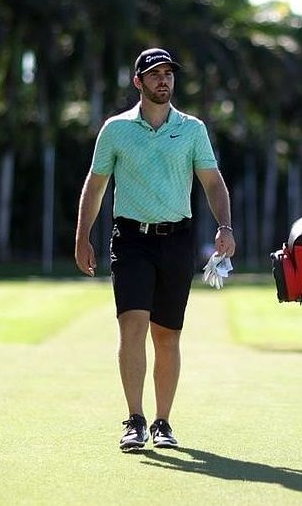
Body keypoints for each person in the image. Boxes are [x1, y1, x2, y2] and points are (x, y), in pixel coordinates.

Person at [74, 47, 236, 452]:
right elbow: (95, 187)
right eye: (155, 74)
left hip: (176, 240)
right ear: (138, 82)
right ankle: (135, 419)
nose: (164, 80)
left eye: (169, 74)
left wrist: (225, 226)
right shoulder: (115, 129)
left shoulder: (193, 129)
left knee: (167, 336)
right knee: (133, 327)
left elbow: (213, 182)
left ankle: (163, 422)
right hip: (130, 240)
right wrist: (82, 237)